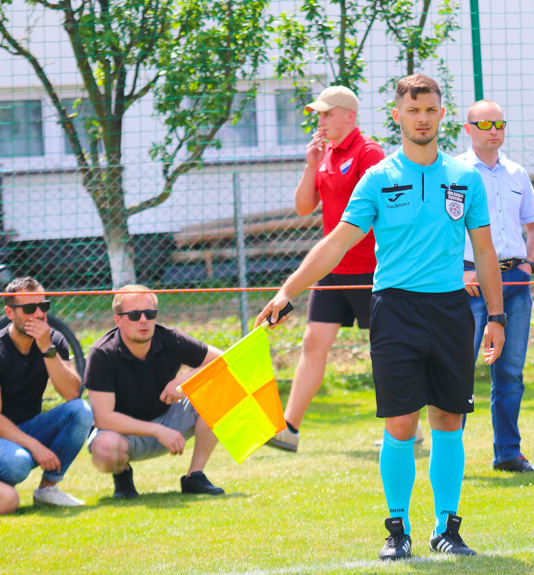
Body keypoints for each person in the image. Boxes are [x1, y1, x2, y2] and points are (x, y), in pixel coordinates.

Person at [255, 74, 505, 561]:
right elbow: (337, 243)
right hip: (394, 309)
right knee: (400, 423)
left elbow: (485, 250)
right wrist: (288, 291)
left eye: (431, 110)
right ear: (398, 116)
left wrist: (496, 314)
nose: (423, 118)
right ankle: (398, 531)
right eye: (413, 111)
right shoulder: (379, 177)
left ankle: (447, 529)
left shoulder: (465, 177)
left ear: (440, 114)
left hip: (452, 309)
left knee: (450, 419)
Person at [268, 86, 388, 453]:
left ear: (350, 116)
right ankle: (289, 428)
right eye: (318, 115)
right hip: (332, 270)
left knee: (385, 349)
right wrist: (310, 164)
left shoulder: (370, 153)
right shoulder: (324, 155)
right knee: (312, 342)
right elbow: (304, 207)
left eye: (326, 114)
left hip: (371, 270)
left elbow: (379, 213)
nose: (320, 121)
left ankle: (407, 427)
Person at [457, 99, 534, 473]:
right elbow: (441, 231)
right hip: (469, 284)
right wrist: (458, 272)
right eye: (484, 124)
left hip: (514, 282)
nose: (494, 130)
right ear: (468, 129)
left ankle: (508, 454)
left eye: (499, 123)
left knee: (509, 373)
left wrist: (527, 266)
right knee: (458, 372)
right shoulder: (454, 172)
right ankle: (451, 457)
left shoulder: (517, 172)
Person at [85, 285, 225, 498]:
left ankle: (194, 476)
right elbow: (103, 419)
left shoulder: (169, 338)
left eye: (150, 314)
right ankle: (122, 476)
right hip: (124, 433)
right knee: (104, 448)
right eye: (134, 315)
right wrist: (158, 432)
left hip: (170, 418)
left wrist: (183, 381)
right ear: (118, 320)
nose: (143, 320)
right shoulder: (102, 353)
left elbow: (223, 361)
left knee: (220, 388)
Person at [0, 277, 92, 512]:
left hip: (28, 427)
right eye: (30, 308)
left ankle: (47, 490)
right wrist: (36, 447)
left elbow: (72, 392)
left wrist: (46, 349)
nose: (40, 314)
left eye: (44, 306)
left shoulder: (53, 341)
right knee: (17, 463)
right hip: (4, 434)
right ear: (10, 312)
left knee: (81, 411)